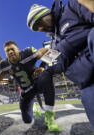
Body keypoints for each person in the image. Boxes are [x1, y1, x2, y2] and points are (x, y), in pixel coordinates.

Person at [27, 0, 94, 130]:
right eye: (36, 29)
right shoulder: (52, 44)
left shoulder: (72, 7)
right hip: (87, 85)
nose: (40, 29)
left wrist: (64, 49)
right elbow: (55, 67)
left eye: (39, 22)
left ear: (47, 13)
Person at [0, 41, 61, 131]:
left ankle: (49, 117)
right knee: (27, 119)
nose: (10, 52)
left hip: (37, 83)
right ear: (5, 53)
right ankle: (33, 105)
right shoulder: (4, 64)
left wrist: (43, 66)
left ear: (18, 50)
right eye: (7, 50)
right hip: (26, 91)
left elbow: (50, 51)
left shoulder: (27, 53)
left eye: (12, 49)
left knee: (46, 75)